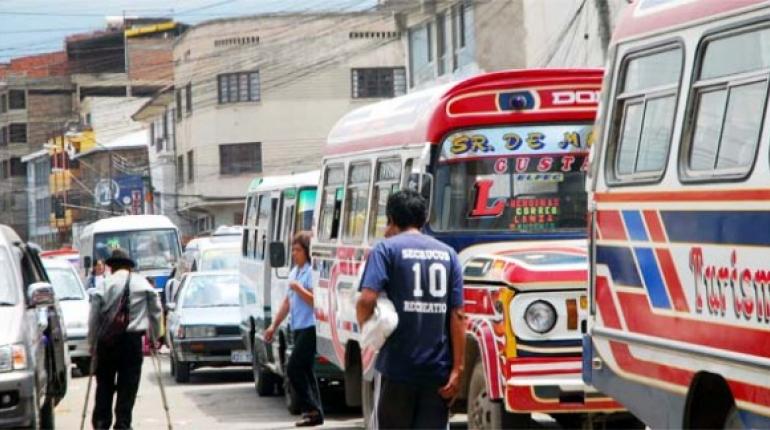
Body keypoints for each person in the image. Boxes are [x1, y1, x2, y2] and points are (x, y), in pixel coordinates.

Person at [356, 190, 466, 429]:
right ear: (424, 220)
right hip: (437, 372)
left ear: (392, 219)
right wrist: (458, 369)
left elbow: (366, 300)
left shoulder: (385, 250)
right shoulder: (449, 255)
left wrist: (367, 328)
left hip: (396, 369)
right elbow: (458, 316)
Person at [88, 248, 164, 430]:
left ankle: (101, 423)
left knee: (104, 384)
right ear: (129, 267)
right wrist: (155, 336)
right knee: (128, 384)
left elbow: (94, 317)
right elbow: (156, 310)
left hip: (107, 342)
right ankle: (123, 423)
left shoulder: (104, 285)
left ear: (112, 267)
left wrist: (92, 343)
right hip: (132, 342)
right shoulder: (142, 283)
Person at [265, 232, 323, 427]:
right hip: (297, 327)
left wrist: (300, 289)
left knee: (293, 368)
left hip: (310, 327)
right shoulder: (294, 273)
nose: (294, 254)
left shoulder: (310, 272)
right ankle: (315, 413)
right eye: (293, 250)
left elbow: (315, 301)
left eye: (298, 250)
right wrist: (273, 325)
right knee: (306, 370)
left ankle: (311, 408)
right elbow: (287, 302)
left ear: (307, 252)